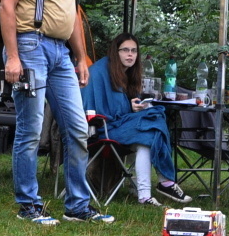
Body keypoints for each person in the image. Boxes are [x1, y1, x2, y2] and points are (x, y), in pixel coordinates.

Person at [0, 0, 112, 225]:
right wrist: (13, 57)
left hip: (61, 52)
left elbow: (72, 11)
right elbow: (6, 5)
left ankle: (77, 207)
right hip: (29, 45)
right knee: (31, 129)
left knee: (77, 129)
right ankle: (28, 206)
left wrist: (81, 57)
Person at [81, 34, 191, 206]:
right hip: (101, 128)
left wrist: (132, 106)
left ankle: (145, 196)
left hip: (121, 125)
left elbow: (120, 106)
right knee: (156, 118)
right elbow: (95, 109)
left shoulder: (126, 73)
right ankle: (166, 182)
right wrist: (129, 108)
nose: (130, 54)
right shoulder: (100, 71)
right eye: (125, 50)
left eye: (134, 51)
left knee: (148, 135)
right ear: (115, 52)